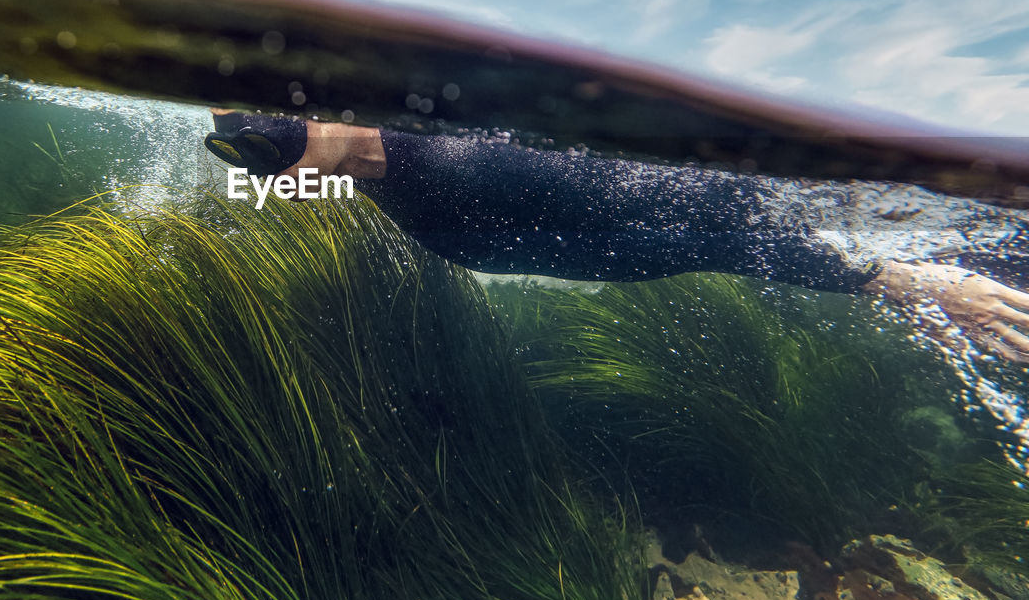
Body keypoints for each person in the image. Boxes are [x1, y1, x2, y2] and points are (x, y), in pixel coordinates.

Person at [206, 110, 1029, 363]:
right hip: (483, 209)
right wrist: (898, 279)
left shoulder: (447, 170)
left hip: (478, 221)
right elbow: (726, 233)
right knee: (719, 210)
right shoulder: (452, 163)